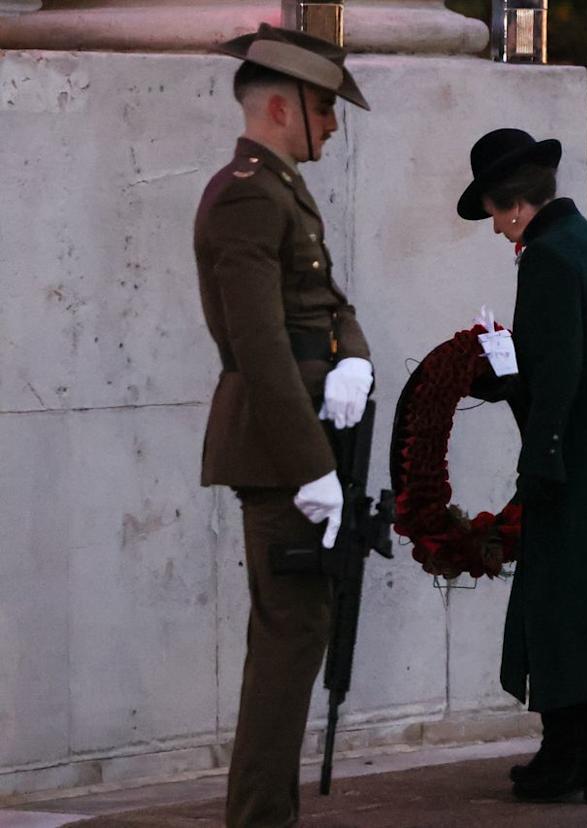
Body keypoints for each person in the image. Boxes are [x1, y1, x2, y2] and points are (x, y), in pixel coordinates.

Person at [194, 24, 373, 827]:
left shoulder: (281, 189)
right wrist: (312, 467)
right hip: (279, 453)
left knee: (295, 641)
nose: (333, 125)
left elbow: (330, 306)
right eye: (326, 109)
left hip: (300, 443)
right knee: (288, 644)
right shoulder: (245, 192)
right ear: (279, 105)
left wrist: (354, 361)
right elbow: (258, 344)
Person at [456, 128, 587, 803]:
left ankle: (569, 757)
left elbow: (560, 368)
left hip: (572, 457)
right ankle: (579, 754)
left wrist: (538, 458)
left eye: (492, 212)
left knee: (557, 605)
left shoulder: (545, 257)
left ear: (512, 206)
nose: (493, 227)